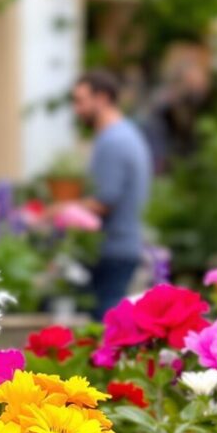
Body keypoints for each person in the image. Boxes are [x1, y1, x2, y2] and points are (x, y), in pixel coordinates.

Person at [71, 70, 152, 316]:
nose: (77, 109)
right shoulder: (125, 134)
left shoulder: (113, 140)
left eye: (81, 100)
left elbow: (105, 200)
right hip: (123, 247)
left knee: (103, 327)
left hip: (112, 250)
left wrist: (62, 211)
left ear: (103, 98)